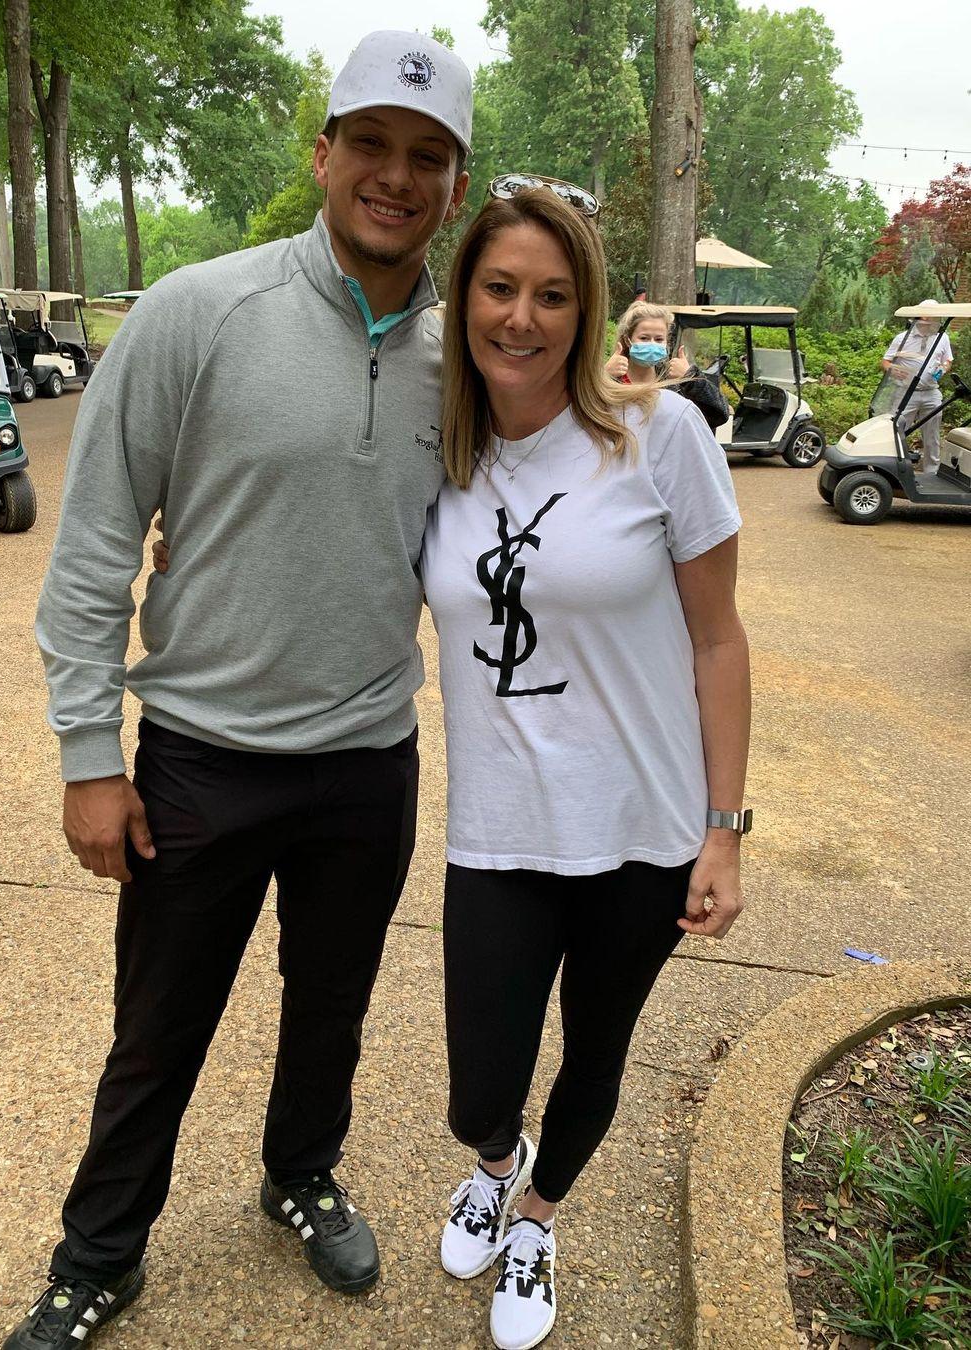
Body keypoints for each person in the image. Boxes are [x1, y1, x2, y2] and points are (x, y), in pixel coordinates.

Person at [5, 30, 472, 1350]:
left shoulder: (466, 360)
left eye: (427, 156)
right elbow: (95, 540)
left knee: (333, 1001)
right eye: (371, 144)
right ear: (322, 152)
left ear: (453, 182)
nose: (395, 174)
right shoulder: (198, 312)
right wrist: (90, 754)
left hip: (368, 756)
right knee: (156, 1031)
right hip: (202, 758)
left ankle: (300, 1171)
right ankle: (99, 1256)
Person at [422, 186, 750, 1350]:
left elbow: (718, 638)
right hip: (500, 832)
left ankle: (541, 1219)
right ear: (463, 299)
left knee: (596, 1054)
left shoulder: (659, 435)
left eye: (554, 295)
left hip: (643, 831)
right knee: (478, 1087)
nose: (523, 317)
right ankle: (495, 1168)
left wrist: (724, 827)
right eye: (500, 288)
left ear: (588, 307)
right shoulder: (439, 453)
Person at [606, 299, 731, 432]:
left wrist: (690, 378)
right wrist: (602, 377)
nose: (652, 344)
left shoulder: (674, 382)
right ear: (627, 340)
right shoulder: (612, 378)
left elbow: (719, 415)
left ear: (667, 342)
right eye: (644, 338)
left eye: (659, 339)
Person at [881, 299, 953, 472]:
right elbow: (885, 361)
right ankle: (893, 468)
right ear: (921, 315)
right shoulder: (903, 338)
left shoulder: (942, 337)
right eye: (931, 315)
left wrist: (943, 369)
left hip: (931, 392)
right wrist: (893, 369)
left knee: (932, 435)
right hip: (906, 392)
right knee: (896, 428)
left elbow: (948, 360)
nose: (935, 319)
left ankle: (932, 472)